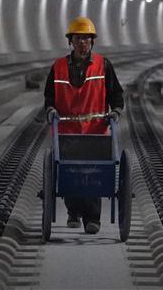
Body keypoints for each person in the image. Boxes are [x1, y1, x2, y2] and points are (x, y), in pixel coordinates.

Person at [43, 16, 124, 234]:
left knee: (94, 173)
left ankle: (92, 218)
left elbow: (117, 93)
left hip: (95, 130)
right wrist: (50, 109)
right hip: (67, 130)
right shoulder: (58, 67)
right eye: (78, 39)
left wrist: (116, 111)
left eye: (86, 39)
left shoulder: (103, 65)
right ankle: (73, 212)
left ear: (92, 42)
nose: (82, 43)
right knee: (69, 171)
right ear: (71, 41)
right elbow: (49, 96)